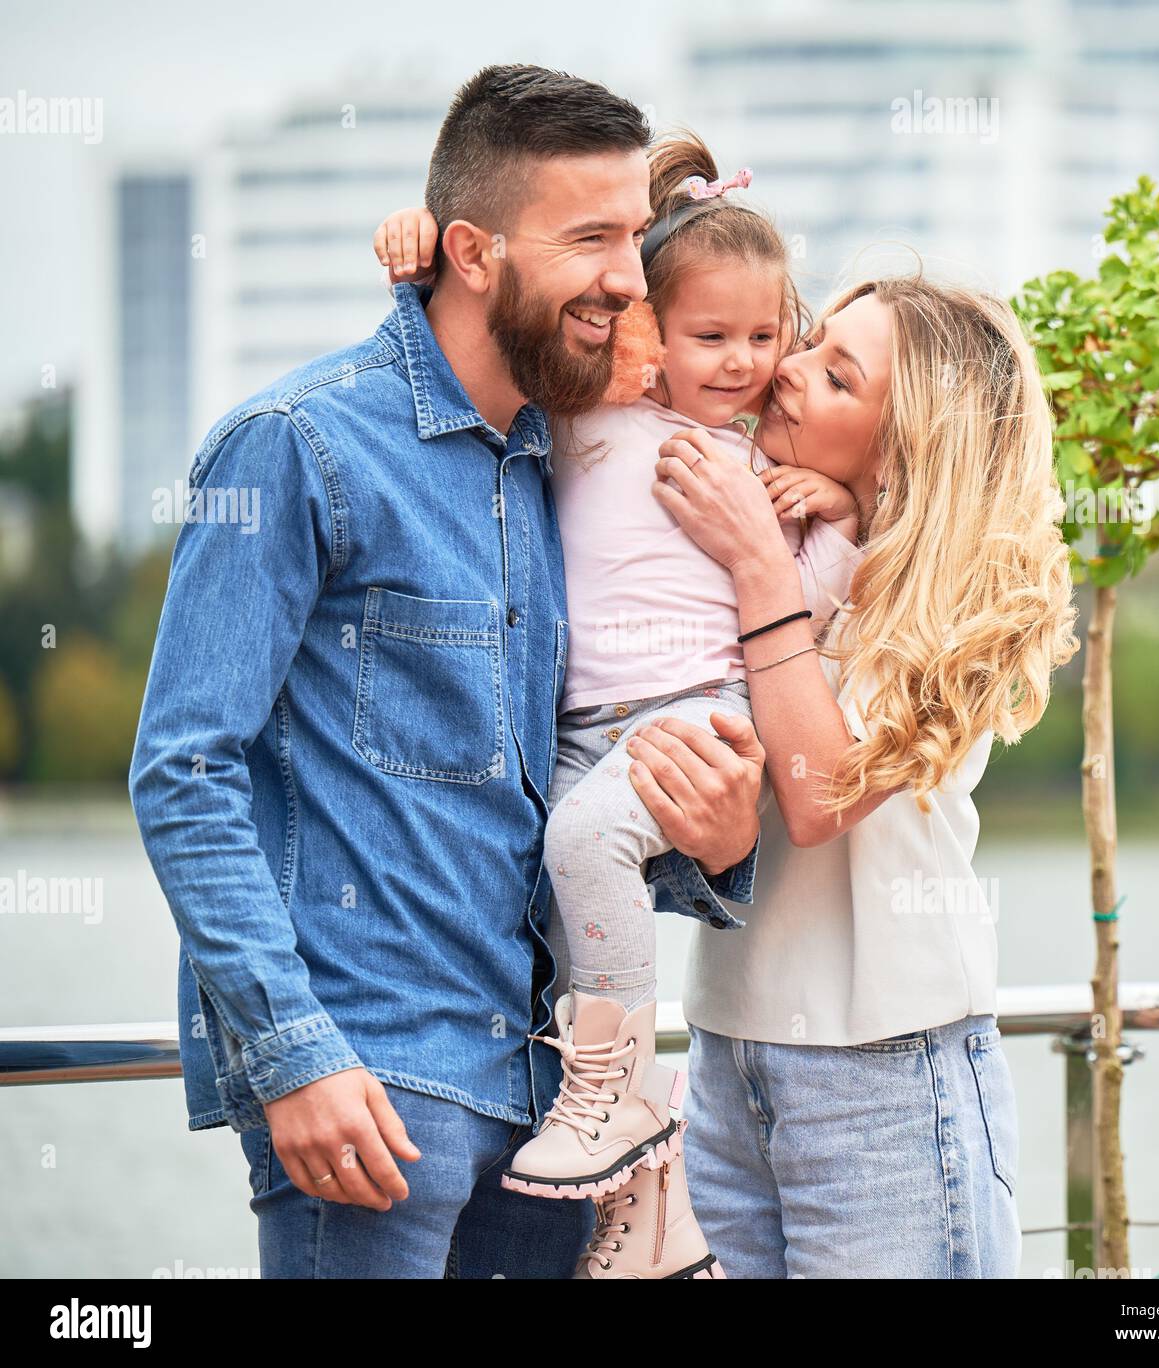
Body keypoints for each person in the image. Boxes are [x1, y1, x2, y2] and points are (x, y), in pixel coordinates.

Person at [127, 64, 764, 1280]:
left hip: (549, 1119)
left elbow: (554, 807)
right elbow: (184, 772)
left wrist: (717, 849)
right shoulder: (294, 445)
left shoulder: (557, 472)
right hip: (374, 1104)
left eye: (633, 237)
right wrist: (294, 1054)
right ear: (469, 253)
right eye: (592, 239)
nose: (630, 279)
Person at [641, 273, 1080, 1277]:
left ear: (906, 448)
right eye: (810, 344)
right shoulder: (773, 529)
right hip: (723, 1059)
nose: (783, 373)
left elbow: (820, 791)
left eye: (835, 377)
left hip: (887, 1079)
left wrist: (762, 566)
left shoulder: (950, 606)